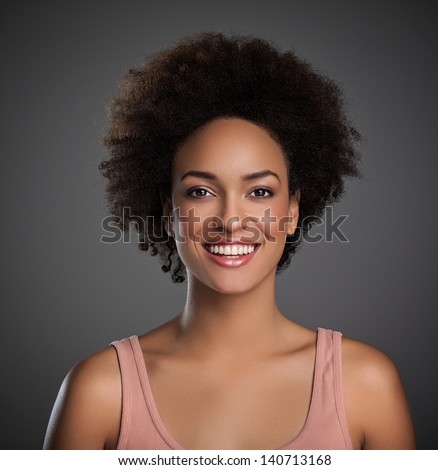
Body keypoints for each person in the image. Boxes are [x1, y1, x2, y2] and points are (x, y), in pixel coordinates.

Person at [43, 31, 415, 450]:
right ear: (168, 211)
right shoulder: (100, 392)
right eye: (201, 192)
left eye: (259, 192)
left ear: (292, 210)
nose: (231, 221)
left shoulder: (365, 384)